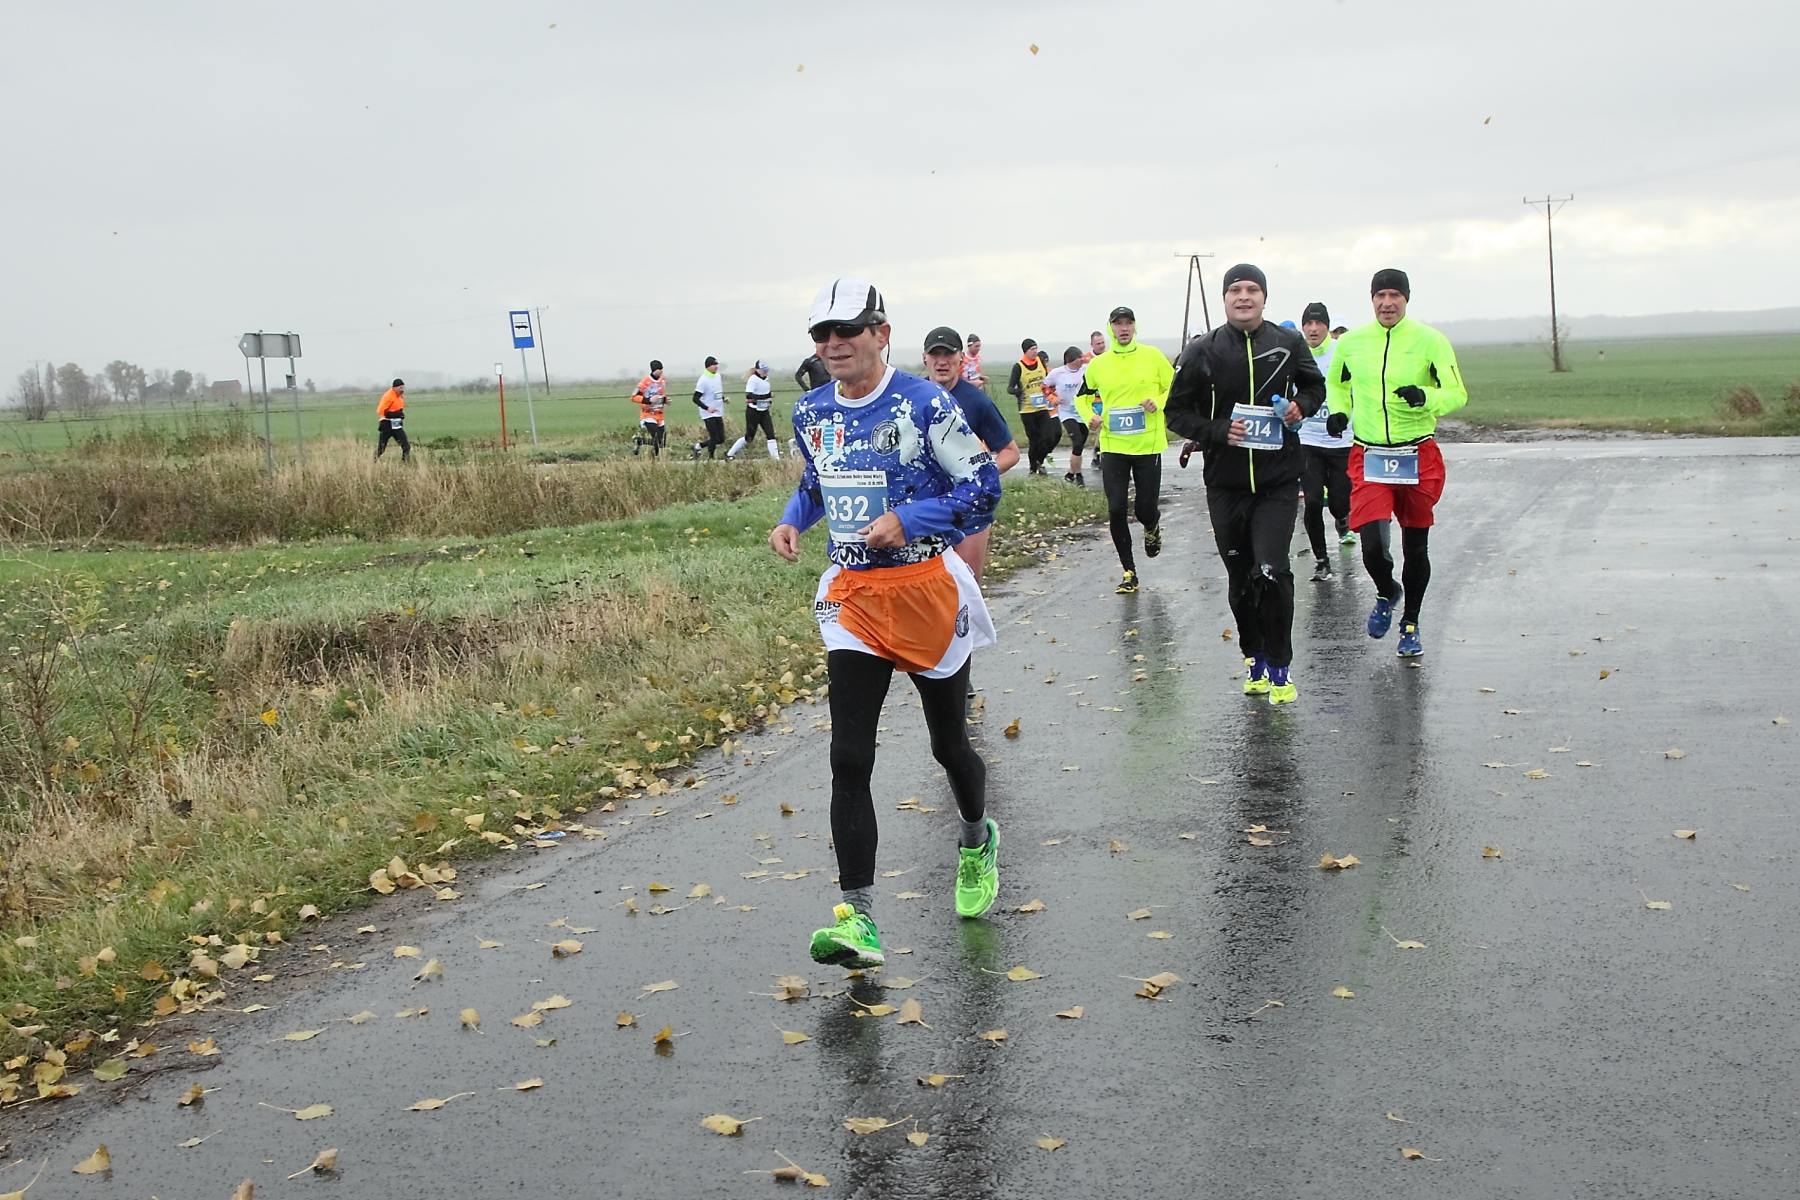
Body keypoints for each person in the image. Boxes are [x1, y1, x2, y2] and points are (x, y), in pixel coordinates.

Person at [768, 278, 1002, 968]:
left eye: (847, 330)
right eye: (821, 334)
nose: (833, 344)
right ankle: (858, 921)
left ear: (881, 333)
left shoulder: (925, 404)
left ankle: (976, 839)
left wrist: (911, 518)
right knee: (849, 756)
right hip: (854, 599)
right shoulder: (811, 411)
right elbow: (818, 481)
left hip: (927, 589)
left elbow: (983, 487)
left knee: (948, 746)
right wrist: (792, 519)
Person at [1166, 264, 1323, 706]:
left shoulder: (1287, 342)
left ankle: (1281, 666)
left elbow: (1315, 388)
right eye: (1235, 289)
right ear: (1225, 299)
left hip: (1278, 481)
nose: (1244, 296)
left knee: (1272, 571)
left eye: (1253, 289)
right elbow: (1176, 413)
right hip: (1227, 484)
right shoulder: (1202, 350)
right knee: (1241, 578)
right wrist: (1218, 431)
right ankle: (1253, 654)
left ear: (1264, 298)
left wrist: (1300, 407)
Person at [1324, 268, 1469, 658]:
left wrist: (1426, 396)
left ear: (1406, 298)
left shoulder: (1430, 341)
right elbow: (1336, 383)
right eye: (1380, 296)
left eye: (1395, 296)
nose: (1387, 303)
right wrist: (1339, 412)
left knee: (1416, 546)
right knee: (1372, 545)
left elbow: (1457, 393)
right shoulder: (1351, 343)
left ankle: (1410, 624)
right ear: (1371, 299)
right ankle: (1387, 590)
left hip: (1416, 454)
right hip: (1370, 453)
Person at [1082, 305, 1173, 593]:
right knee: (1116, 508)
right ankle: (1129, 571)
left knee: (1145, 508)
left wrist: (1158, 401)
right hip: (1114, 446)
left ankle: (1151, 525)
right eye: (1117, 323)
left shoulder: (1153, 356)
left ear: (1135, 326)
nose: (1123, 328)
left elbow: (1174, 386)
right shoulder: (1099, 364)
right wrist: (1090, 416)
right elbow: (1083, 397)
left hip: (1148, 445)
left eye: (1127, 323)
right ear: (1110, 328)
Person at [921, 326, 1020, 582]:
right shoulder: (911, 399)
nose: (942, 362)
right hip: (924, 507)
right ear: (925, 358)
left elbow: (1010, 452)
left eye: (948, 354)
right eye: (935, 354)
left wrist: (980, 475)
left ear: (961, 358)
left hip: (969, 510)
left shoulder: (976, 401)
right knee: (927, 589)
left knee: (965, 587)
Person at [1295, 301, 1356, 578]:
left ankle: (1342, 520)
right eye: (1308, 323)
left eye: (1319, 323)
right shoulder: (1297, 354)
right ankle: (1322, 560)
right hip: (1308, 440)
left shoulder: (1342, 351)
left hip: (1341, 441)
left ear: (1327, 327)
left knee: (1340, 502)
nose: (1313, 329)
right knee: (1313, 501)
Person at [1007, 339, 1057, 475]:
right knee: (1034, 440)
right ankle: (1033, 468)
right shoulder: (1018, 366)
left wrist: (1051, 390)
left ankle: (1040, 461)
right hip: (1027, 410)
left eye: (1036, 348)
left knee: (1049, 436)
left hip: (1042, 407)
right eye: (1032, 349)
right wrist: (1017, 392)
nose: (1035, 351)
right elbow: (1010, 388)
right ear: (1025, 351)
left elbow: (1048, 380)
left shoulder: (1041, 362)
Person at [1044, 347, 1091, 486]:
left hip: (1082, 411)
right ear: (1071, 360)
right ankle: (1078, 475)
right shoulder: (1057, 373)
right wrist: (1052, 398)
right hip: (1067, 412)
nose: (1082, 359)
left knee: (1080, 445)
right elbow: (1044, 387)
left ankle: (1071, 473)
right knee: (1077, 442)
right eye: (1079, 358)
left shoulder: (1086, 369)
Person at [727, 361, 781, 460]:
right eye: (763, 371)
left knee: (771, 435)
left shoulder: (766, 379)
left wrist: (768, 400)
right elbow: (749, 395)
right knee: (749, 437)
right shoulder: (753, 379)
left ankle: (776, 459)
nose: (765, 373)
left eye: (766, 370)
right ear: (758, 370)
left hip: (764, 411)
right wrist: (766, 396)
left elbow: (766, 392)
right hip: (753, 411)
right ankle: (730, 454)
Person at [690, 356, 727, 459]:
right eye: (714, 365)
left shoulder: (718, 376)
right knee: (714, 437)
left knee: (721, 439)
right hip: (708, 413)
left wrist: (723, 399)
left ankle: (698, 446)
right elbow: (695, 398)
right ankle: (711, 458)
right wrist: (707, 408)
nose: (716, 366)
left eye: (717, 364)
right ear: (708, 366)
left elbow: (716, 392)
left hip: (718, 411)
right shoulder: (703, 380)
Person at [631, 360, 669, 457]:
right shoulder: (645, 382)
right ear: (653, 370)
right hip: (648, 414)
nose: (661, 372)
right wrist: (648, 400)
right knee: (656, 438)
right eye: (659, 370)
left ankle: (640, 441)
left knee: (662, 442)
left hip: (659, 414)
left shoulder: (663, 380)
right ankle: (653, 458)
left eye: (662, 369)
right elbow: (633, 397)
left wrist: (665, 400)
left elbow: (661, 394)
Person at [374, 378, 409, 461]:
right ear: (394, 388)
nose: (402, 390)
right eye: (400, 388)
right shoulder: (388, 396)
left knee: (406, 446)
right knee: (381, 449)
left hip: (397, 425)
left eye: (403, 387)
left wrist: (401, 414)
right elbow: (380, 410)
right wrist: (395, 414)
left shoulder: (400, 396)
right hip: (386, 425)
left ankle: (405, 464)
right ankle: (372, 461)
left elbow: (399, 408)